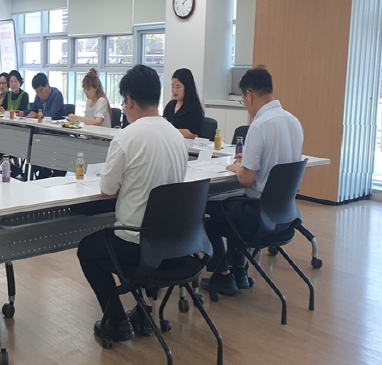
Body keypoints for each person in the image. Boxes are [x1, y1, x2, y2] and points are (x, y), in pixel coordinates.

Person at [76, 64, 189, 342]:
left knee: (88, 250)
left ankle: (117, 321)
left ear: (129, 101)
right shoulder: (177, 136)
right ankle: (143, 311)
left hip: (137, 245)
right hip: (175, 244)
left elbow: (107, 190)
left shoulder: (126, 137)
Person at [200, 67, 303, 296]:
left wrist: (239, 167)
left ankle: (223, 276)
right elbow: (276, 163)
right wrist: (248, 160)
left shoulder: (259, 125)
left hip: (258, 217)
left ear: (249, 95)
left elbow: (247, 180)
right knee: (235, 204)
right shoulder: (293, 121)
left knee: (205, 210)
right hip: (286, 215)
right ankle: (239, 272)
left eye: (243, 100)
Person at [163, 68, 204, 139]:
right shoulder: (170, 105)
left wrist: (169, 128)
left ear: (187, 88)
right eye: (173, 86)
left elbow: (192, 134)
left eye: (178, 87)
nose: (174, 90)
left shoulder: (194, 107)